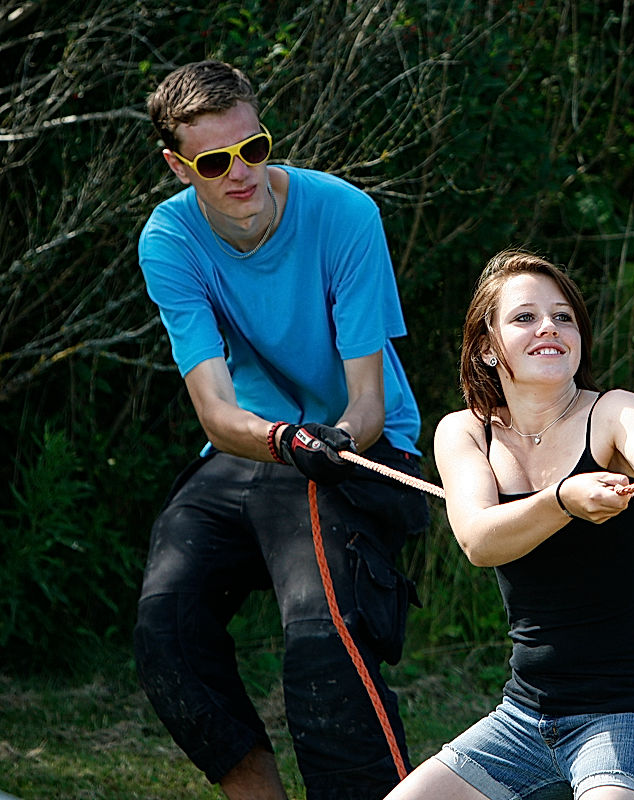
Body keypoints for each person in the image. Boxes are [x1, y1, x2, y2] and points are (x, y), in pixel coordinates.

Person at [132, 60, 430, 800]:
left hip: (358, 444)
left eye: (254, 148)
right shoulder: (168, 240)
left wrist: (328, 444)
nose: (241, 173)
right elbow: (215, 412)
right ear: (178, 167)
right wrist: (283, 442)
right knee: (165, 629)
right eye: (213, 161)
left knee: (322, 640)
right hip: (252, 445)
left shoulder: (346, 212)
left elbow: (366, 400)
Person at [384, 250, 634, 800]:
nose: (549, 327)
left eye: (564, 316)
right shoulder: (466, 432)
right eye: (524, 317)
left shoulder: (615, 412)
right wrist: (562, 499)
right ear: (488, 348)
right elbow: (478, 540)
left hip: (628, 712)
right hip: (521, 717)